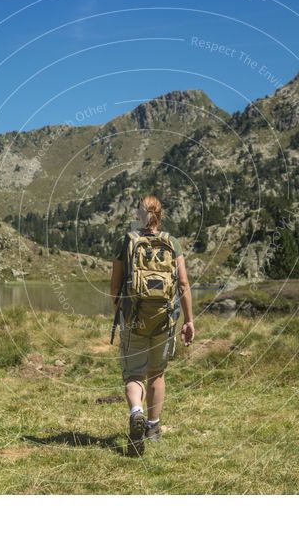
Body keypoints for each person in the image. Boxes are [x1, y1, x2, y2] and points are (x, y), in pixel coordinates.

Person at [110, 195, 195, 456]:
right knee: (156, 373)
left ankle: (136, 411)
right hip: (164, 319)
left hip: (135, 318)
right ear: (160, 215)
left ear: (140, 214)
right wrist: (189, 320)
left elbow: (115, 284)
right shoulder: (172, 243)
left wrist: (121, 311)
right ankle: (152, 428)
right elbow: (182, 284)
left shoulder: (127, 241)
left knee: (134, 375)